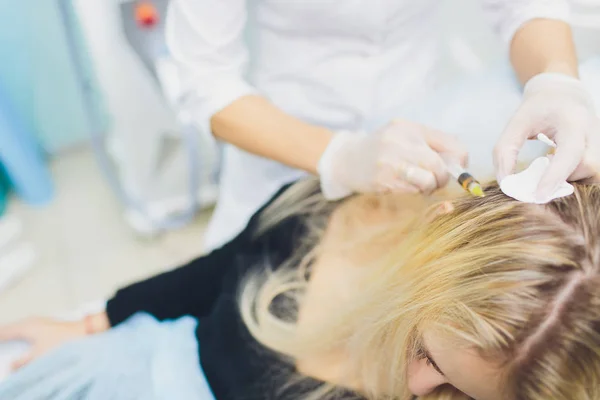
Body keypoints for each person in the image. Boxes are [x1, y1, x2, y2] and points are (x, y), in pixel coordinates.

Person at [1, 178, 600, 399]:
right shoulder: (331, 212)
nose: (418, 389)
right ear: (435, 234)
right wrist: (91, 323)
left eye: (460, 395)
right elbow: (213, 270)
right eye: (424, 349)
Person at [166, 0, 600, 251]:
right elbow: (203, 80)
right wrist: (338, 156)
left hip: (420, 133)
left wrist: (556, 80)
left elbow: (522, 8)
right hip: (285, 146)